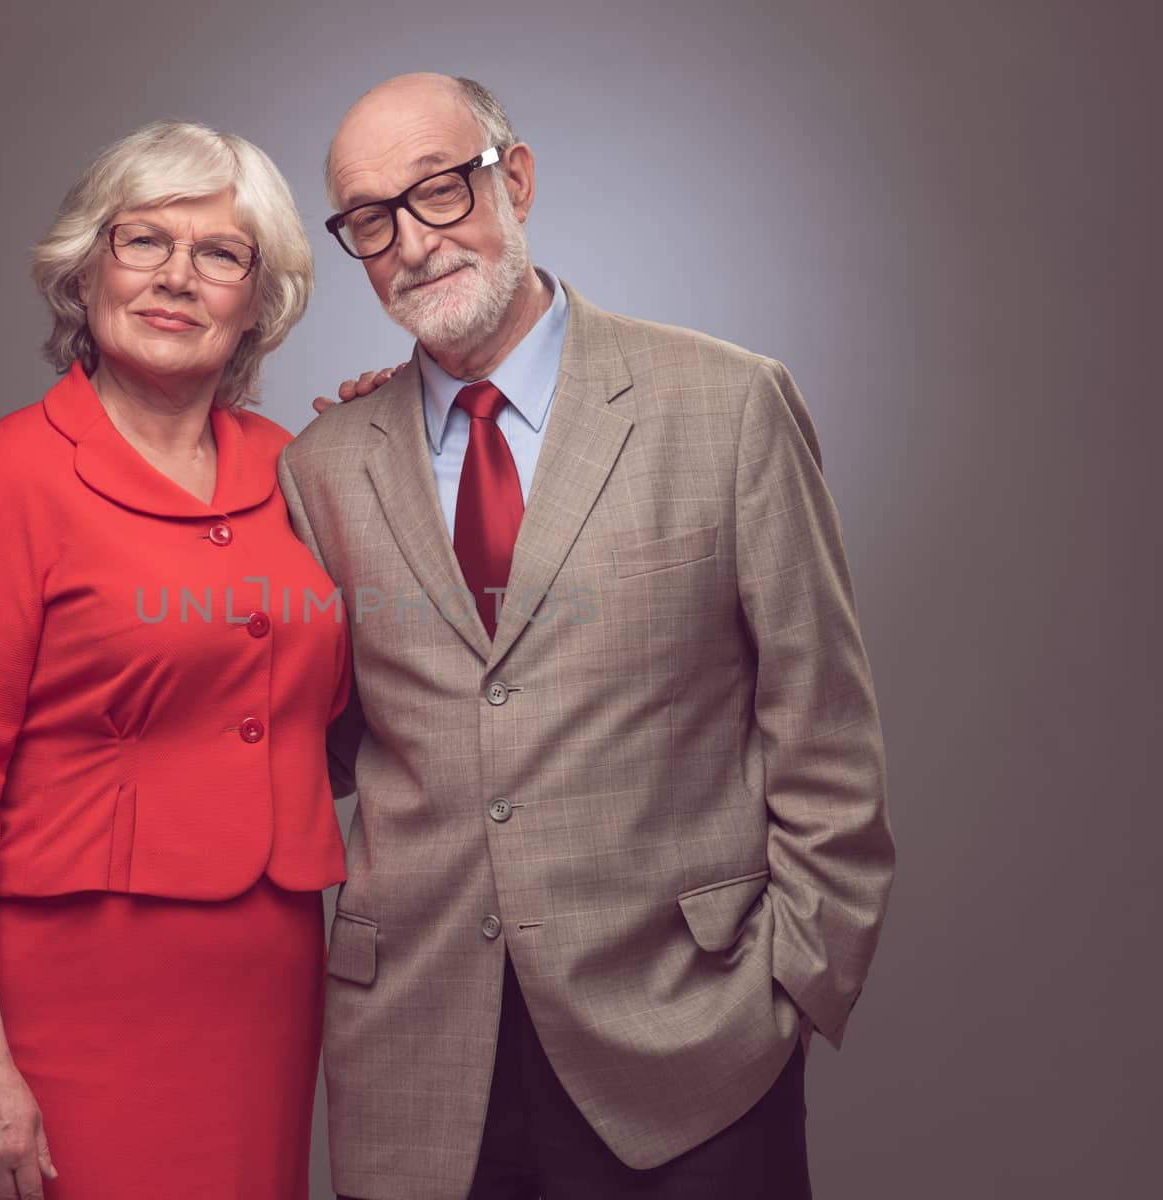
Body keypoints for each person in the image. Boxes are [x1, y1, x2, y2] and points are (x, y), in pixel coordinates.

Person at [279, 74, 896, 1199]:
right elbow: (308, 745)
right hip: (417, 1055)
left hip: (693, 1038)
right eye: (371, 220)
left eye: (438, 191)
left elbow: (825, 731)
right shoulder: (321, 469)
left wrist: (795, 985)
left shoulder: (727, 405)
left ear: (513, 178)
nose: (411, 244)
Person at [0, 120, 349, 1200]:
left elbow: (355, 704)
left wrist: (398, 449)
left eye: (219, 254)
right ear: (88, 266)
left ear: (259, 296)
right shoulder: (3, 478)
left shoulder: (299, 469)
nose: (176, 278)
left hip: (269, 973)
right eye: (144, 240)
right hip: (82, 985)